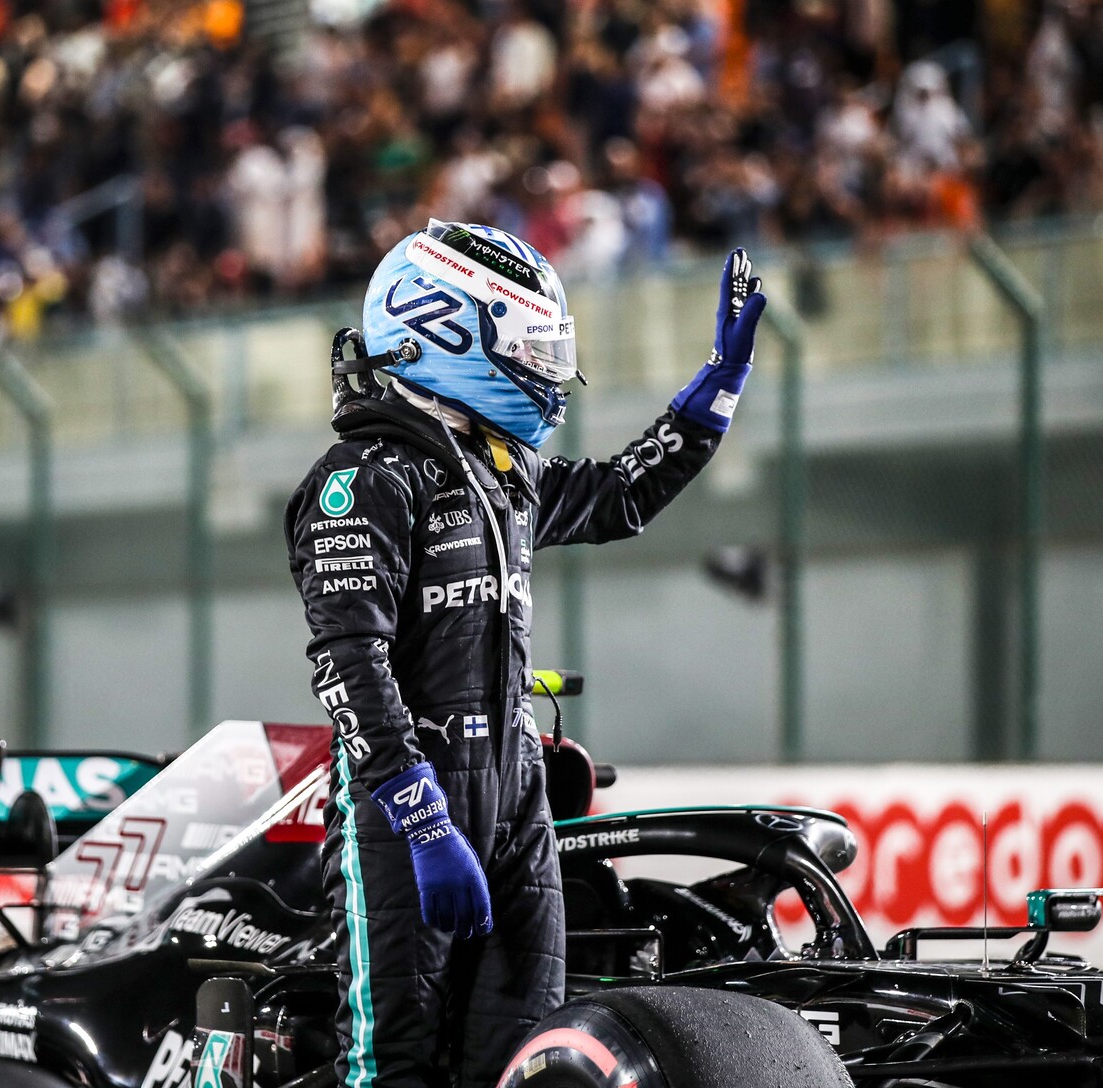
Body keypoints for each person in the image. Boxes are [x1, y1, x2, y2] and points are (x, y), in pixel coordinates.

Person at [284, 220, 766, 1088]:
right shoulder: (361, 481)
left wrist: (717, 389)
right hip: (405, 814)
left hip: (517, 805)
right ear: (442, 331)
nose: (550, 373)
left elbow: (621, 495)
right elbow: (350, 664)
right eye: (534, 350)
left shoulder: (499, 473)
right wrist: (423, 819)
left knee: (520, 1063)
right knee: (392, 1068)